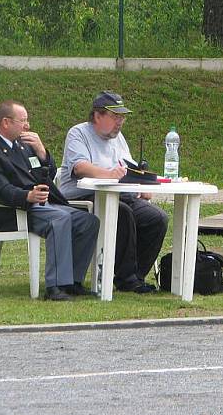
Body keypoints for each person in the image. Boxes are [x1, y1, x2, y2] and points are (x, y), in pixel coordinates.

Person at [0, 101, 100, 301]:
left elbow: (46, 174)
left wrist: (42, 152)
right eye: (22, 121)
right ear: (5, 122)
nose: (27, 126)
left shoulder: (22, 146)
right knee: (59, 219)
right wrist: (27, 196)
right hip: (13, 211)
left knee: (88, 221)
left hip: (39, 206)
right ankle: (55, 287)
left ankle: (72, 281)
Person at [57, 91, 168, 294]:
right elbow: (80, 167)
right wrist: (108, 175)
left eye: (122, 117)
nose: (120, 122)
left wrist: (142, 186)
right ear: (97, 116)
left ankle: (135, 276)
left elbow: (130, 168)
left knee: (156, 218)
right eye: (115, 117)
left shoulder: (118, 138)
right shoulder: (78, 133)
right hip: (83, 197)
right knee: (122, 213)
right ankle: (126, 278)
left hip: (118, 194)